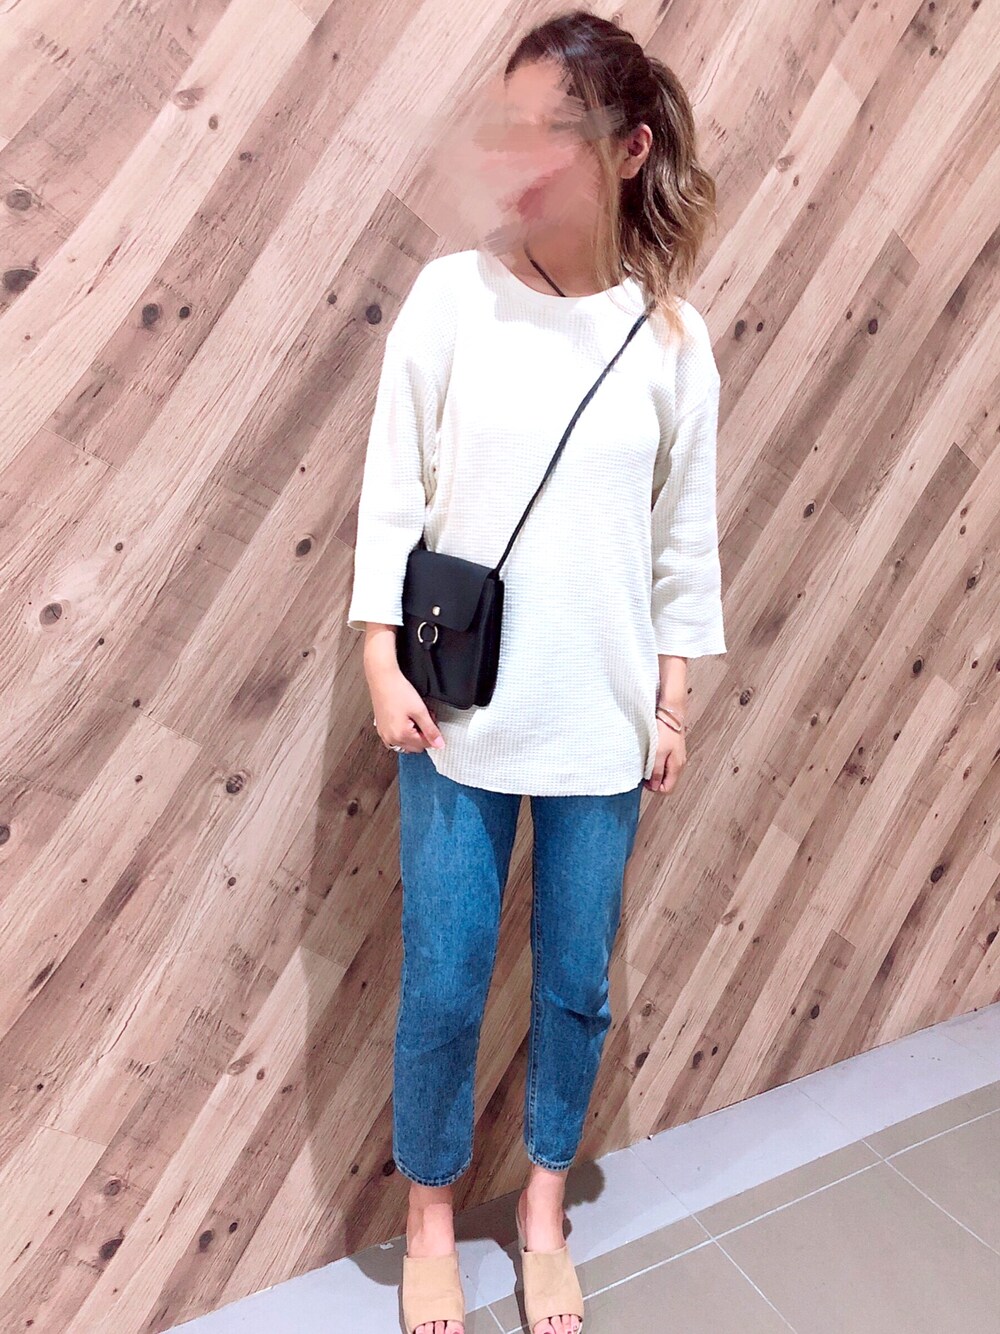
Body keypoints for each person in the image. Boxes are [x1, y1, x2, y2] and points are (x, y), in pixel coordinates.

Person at [345, 11, 726, 1333]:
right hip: (454, 719)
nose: (516, 158)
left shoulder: (672, 339)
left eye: (547, 132)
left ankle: (546, 1208)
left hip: (604, 725)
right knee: (446, 983)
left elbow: (683, 542)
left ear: (627, 149)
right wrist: (378, 655)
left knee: (576, 981)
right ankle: (432, 1213)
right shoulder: (453, 297)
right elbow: (393, 490)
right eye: (505, 130)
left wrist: (672, 698)